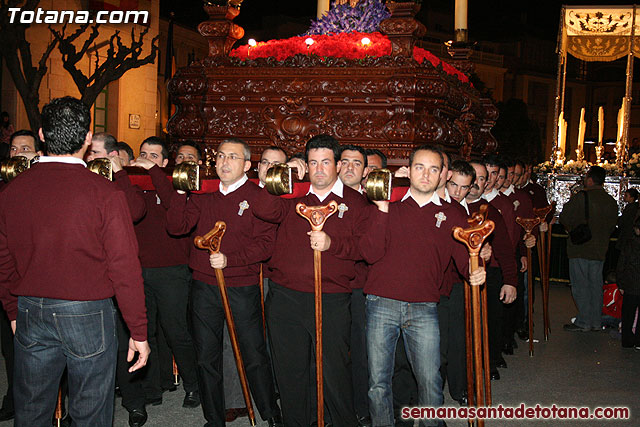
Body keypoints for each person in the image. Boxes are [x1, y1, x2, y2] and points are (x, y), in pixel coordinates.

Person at [0, 96, 149, 426]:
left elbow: (3, 257)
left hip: (31, 308)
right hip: (87, 311)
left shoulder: (13, 191)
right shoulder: (106, 193)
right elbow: (124, 266)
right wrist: (138, 329)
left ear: (41, 134)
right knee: (91, 410)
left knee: (32, 409)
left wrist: (13, 308)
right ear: (87, 138)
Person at [361, 145, 486, 427]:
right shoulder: (387, 203)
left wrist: (475, 271)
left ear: (443, 173)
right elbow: (369, 253)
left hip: (424, 307)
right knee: (378, 382)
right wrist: (381, 210)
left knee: (430, 381)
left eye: (433, 169)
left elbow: (464, 259)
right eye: (420, 167)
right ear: (409, 169)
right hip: (381, 303)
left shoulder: (452, 214)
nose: (426, 174)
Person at [253, 134, 369, 426]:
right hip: (285, 296)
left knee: (334, 372)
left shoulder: (355, 202)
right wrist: (284, 174)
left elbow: (367, 249)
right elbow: (263, 209)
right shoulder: (293, 193)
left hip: (330, 297)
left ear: (338, 165)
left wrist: (333, 244)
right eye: (313, 162)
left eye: (325, 162)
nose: (319, 169)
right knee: (290, 373)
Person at [166, 138, 282, 427]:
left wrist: (232, 259)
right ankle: (214, 418)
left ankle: (270, 413)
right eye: (220, 156)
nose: (224, 162)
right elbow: (176, 227)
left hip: (241, 286)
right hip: (204, 286)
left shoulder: (257, 196)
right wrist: (181, 191)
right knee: (206, 356)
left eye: (232, 157)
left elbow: (266, 245)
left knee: (253, 352)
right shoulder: (203, 194)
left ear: (246, 165)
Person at [130, 137, 201, 409]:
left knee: (176, 331)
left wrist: (153, 172)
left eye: (153, 155)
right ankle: (153, 387)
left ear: (164, 162)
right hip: (138, 270)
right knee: (144, 332)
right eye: (143, 154)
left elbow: (174, 206)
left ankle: (193, 385)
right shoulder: (134, 185)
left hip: (172, 271)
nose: (146, 159)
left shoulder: (174, 183)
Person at [560, 166, 618, 332]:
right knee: (596, 285)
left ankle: (584, 320)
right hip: (600, 248)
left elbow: (565, 217)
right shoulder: (610, 201)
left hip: (580, 247)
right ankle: (595, 321)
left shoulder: (582, 197)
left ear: (590, 179)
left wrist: (572, 228)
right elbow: (612, 225)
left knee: (580, 285)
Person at [338, 144, 371, 426]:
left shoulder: (372, 201)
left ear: (365, 171)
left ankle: (361, 408)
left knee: (360, 351)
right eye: (344, 161)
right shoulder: (320, 194)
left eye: (356, 163)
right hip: (328, 285)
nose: (349, 167)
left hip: (360, 287)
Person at [616, 217, 640, 349]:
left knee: (628, 314)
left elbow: (621, 265)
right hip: (633, 283)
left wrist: (621, 283)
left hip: (630, 285)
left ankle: (627, 340)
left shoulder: (630, 244)